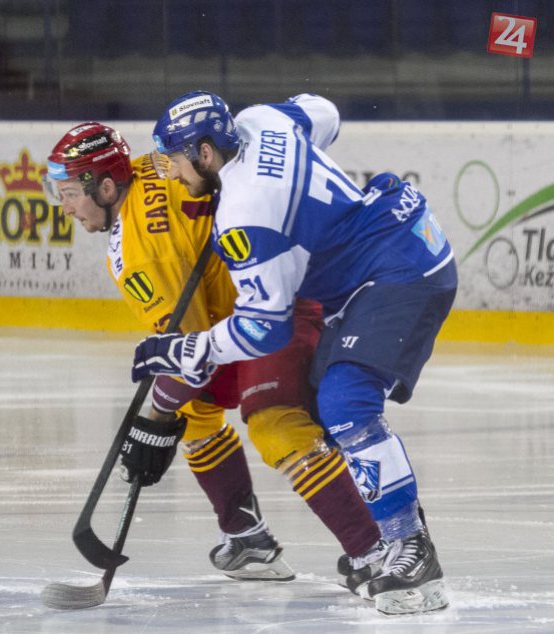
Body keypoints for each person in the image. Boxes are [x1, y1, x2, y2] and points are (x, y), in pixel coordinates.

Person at [137, 91, 455, 615]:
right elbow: (324, 111)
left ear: (206, 153)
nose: (170, 174)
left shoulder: (241, 215)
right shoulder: (261, 120)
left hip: (395, 271)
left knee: (347, 404)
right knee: (319, 404)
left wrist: (193, 346)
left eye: (174, 160)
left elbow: (265, 329)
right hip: (396, 240)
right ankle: (400, 531)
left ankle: (410, 546)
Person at [44, 123, 386, 585]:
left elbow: (192, 357)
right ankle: (248, 539)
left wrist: (155, 418)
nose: (63, 208)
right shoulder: (154, 166)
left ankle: (373, 551)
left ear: (106, 187)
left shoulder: (142, 256)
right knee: (196, 411)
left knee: (275, 423)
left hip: (282, 301)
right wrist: (167, 410)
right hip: (249, 307)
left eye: (67, 194)